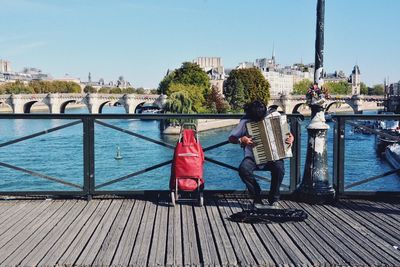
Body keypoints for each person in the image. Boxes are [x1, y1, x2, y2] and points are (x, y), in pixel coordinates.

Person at [228, 100, 294, 209]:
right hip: (252, 157)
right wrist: (241, 139)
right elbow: (231, 138)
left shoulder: (275, 115)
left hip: (274, 156)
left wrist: (291, 137)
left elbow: (288, 133)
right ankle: (257, 196)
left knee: (279, 168)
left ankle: (274, 198)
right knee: (243, 169)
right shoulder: (245, 121)